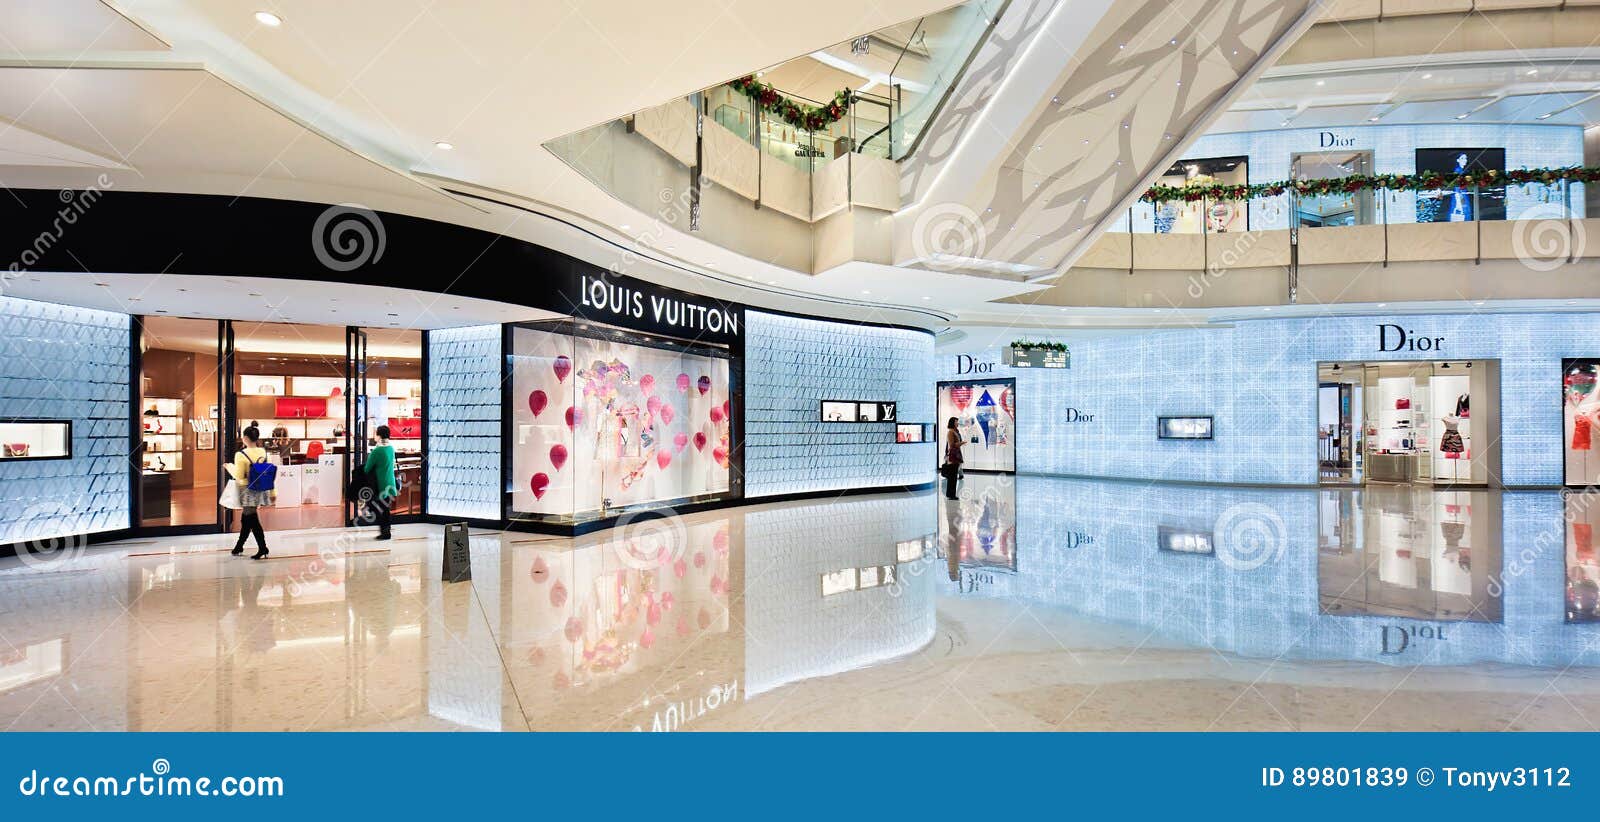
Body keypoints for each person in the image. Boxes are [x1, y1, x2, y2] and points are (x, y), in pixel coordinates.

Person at [227, 425, 272, 559]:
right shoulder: (263, 452)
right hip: (259, 487)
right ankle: (239, 546)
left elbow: (239, 475)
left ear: (246, 438)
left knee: (251, 518)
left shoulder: (240, 455)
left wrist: (229, 467)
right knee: (246, 518)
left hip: (247, 489)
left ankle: (263, 547)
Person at [363, 425, 398, 540]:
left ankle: (385, 532)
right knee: (385, 509)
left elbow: (367, 468)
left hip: (380, 484)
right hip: (390, 482)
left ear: (378, 435)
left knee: (372, 506)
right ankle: (386, 532)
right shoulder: (391, 448)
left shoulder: (377, 451)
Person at [942, 416, 964, 501]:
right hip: (953, 456)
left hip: (956, 455)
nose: (957, 423)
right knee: (952, 476)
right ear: (952, 423)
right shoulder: (950, 432)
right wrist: (961, 443)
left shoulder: (956, 432)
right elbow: (951, 445)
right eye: (956, 422)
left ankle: (951, 494)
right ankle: (951, 495)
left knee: (954, 476)